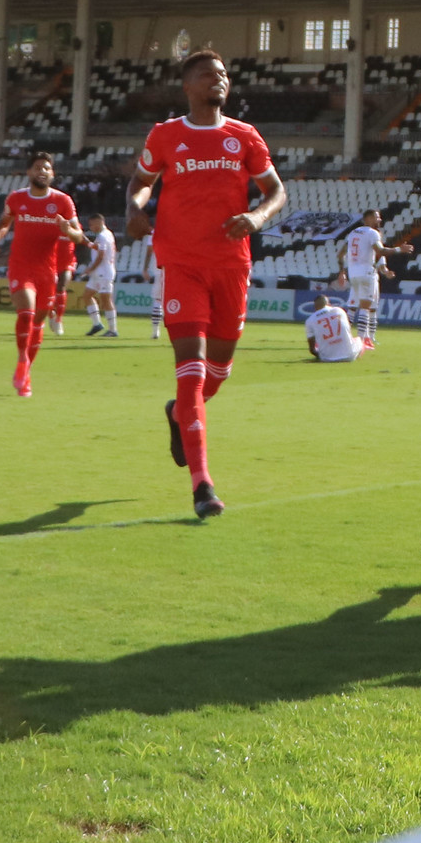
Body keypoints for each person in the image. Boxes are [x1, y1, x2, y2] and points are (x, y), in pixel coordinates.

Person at [125, 49, 288, 518]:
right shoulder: (166, 135)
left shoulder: (244, 135)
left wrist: (257, 217)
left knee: (216, 373)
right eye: (206, 74)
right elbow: (140, 182)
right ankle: (202, 485)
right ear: (187, 86)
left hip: (232, 265)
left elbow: (276, 190)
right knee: (192, 371)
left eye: (222, 73)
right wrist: (135, 208)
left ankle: (178, 413)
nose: (217, 79)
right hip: (182, 264)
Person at [0, 151, 86, 397]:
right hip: (21, 266)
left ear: (52, 174)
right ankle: (22, 360)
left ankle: (26, 372)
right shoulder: (17, 198)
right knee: (27, 312)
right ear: (29, 172)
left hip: (47, 270)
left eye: (47, 168)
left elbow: (79, 236)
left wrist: (68, 230)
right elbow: (4, 223)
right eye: (38, 167)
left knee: (38, 322)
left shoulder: (62, 201)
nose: (42, 171)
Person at [334, 209, 414, 350]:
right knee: (365, 308)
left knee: (354, 307)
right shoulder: (372, 233)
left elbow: (340, 254)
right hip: (366, 272)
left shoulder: (353, 233)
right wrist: (399, 249)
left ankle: (342, 338)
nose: (379, 220)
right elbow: (381, 251)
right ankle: (362, 340)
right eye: (377, 217)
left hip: (353, 273)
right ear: (368, 218)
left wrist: (342, 272)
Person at [82, 213, 120, 336]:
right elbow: (98, 248)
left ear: (99, 222)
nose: (91, 227)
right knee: (87, 295)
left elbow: (101, 255)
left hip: (104, 272)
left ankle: (113, 330)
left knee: (106, 300)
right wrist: (87, 242)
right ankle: (97, 324)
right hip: (99, 272)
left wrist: (90, 268)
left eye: (92, 224)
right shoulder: (107, 234)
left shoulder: (103, 236)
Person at [304, 293, 361, 363]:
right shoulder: (339, 310)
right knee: (359, 340)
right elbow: (348, 331)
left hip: (326, 358)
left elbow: (312, 350)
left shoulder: (310, 320)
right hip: (349, 356)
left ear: (315, 307)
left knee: (319, 344)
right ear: (329, 304)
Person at [49, 228, 78, 336]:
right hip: (51, 262)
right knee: (48, 292)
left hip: (67, 262)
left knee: (61, 287)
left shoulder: (73, 224)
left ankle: (59, 320)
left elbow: (79, 237)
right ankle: (51, 313)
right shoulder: (52, 223)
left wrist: (90, 244)